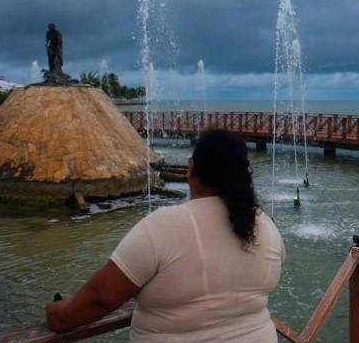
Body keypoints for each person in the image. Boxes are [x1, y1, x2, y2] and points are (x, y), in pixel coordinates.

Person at [45, 130, 285, 342]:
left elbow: (100, 298)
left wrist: (59, 313)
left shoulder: (164, 226)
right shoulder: (266, 227)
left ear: (191, 171)